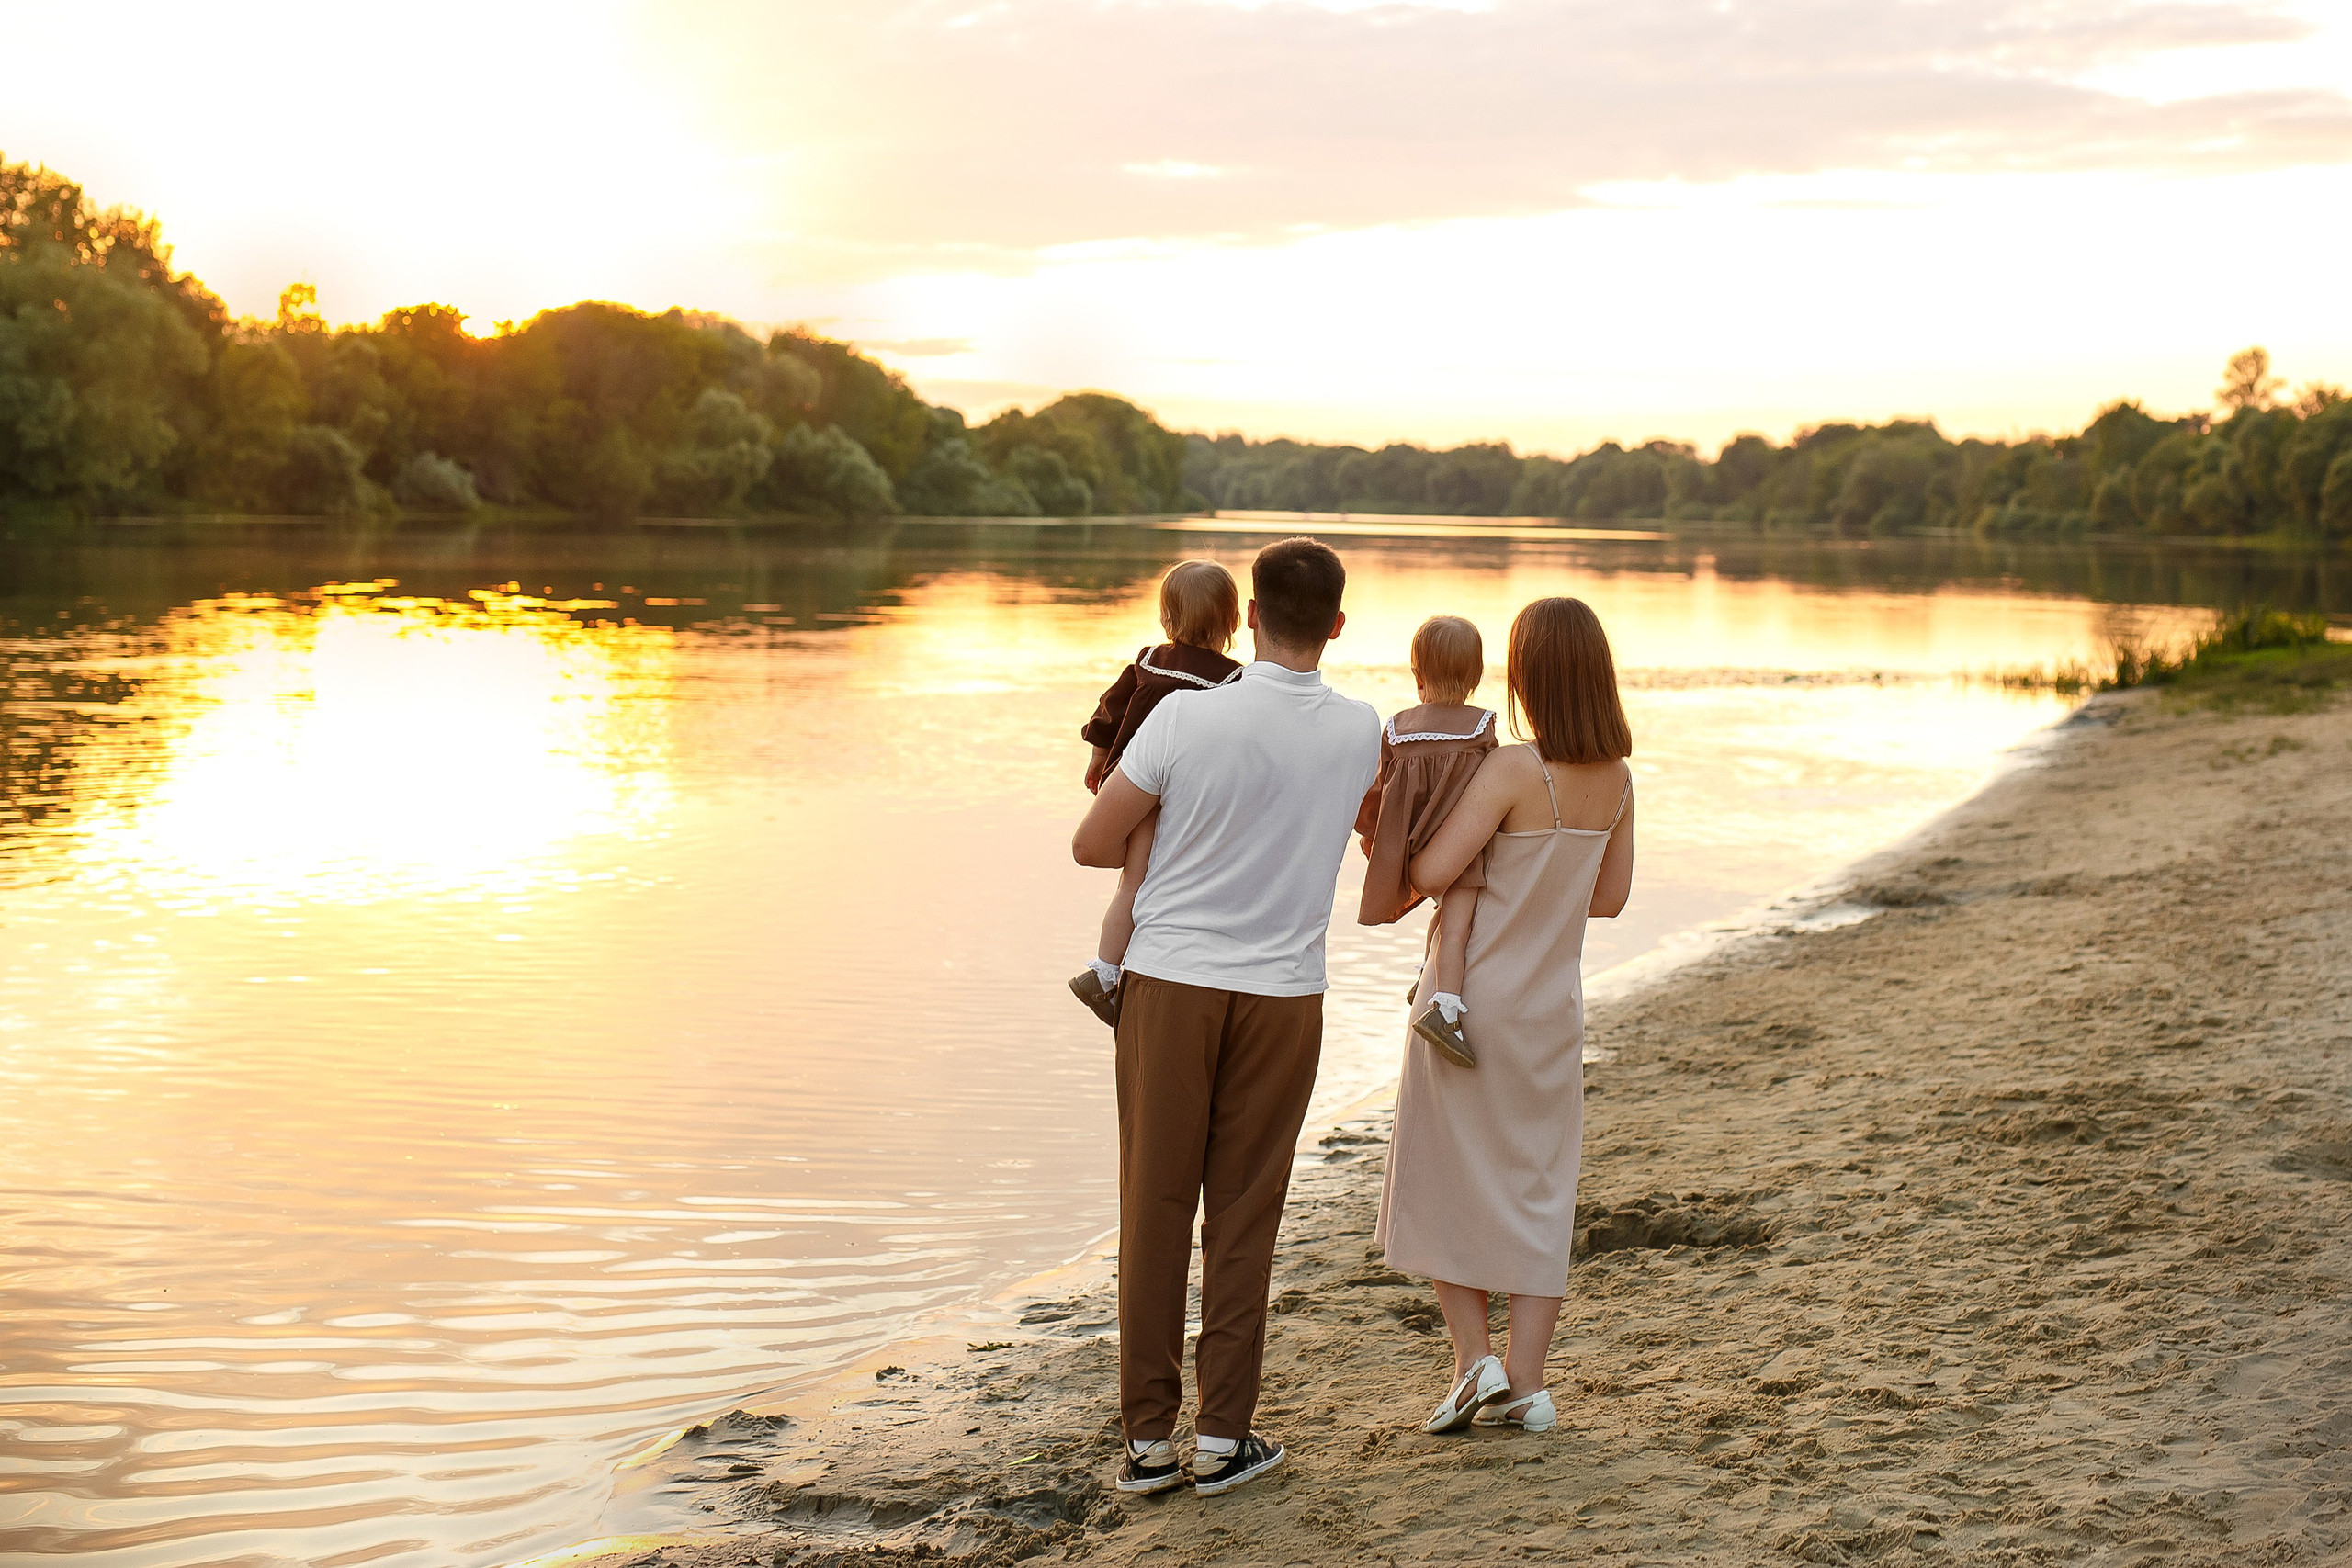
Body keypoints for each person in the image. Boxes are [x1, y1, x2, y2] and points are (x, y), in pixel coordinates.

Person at [1071, 536, 1381, 1496]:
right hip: (1286, 997)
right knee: (1245, 1214)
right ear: (1334, 625)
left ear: (1250, 617)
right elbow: (1377, 835)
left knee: (1154, 1207)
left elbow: (1091, 844)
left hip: (1168, 985)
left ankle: (1147, 1447)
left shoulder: (1180, 722)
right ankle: (1222, 1442)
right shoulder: (1362, 728)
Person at [1374, 596, 1635, 1438]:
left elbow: (1431, 867)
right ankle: (1526, 1383)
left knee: (1444, 1172)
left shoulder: (1517, 769)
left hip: (1470, 1003)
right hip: (1551, 1011)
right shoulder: (1619, 779)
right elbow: (1611, 899)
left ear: (1525, 678)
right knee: (1538, 1186)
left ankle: (1470, 1363)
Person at [1069, 560, 1245, 1026]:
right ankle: (1104, 972)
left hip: (1128, 782)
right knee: (1138, 880)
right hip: (1169, 794)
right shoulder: (1232, 679)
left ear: (1166, 618)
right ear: (1233, 621)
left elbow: (1108, 710)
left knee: (1133, 879)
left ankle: (1110, 968)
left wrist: (1097, 760)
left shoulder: (1149, 659)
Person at [1354, 615, 1498, 1068]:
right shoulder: (1482, 728)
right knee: (1456, 928)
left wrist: (1374, 839)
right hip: (1463, 851)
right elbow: (1496, 791)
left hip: (1412, 849)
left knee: (1441, 921)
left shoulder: (1397, 727)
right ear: (1476, 676)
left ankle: (1426, 976)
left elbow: (1378, 793)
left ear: (1417, 675)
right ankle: (1446, 1012)